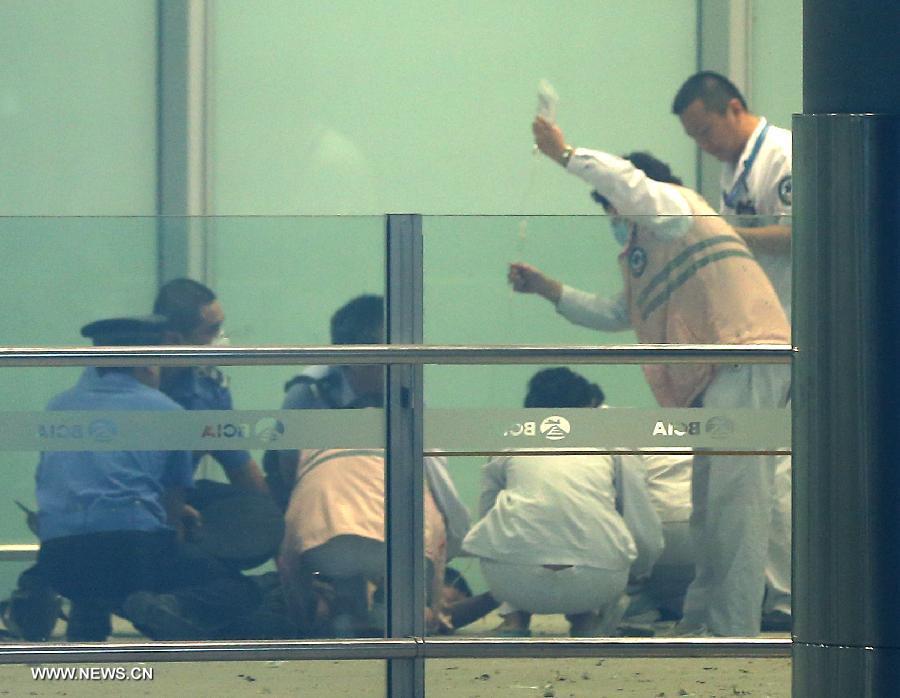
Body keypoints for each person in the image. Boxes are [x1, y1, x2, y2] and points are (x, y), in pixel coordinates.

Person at [512, 116, 790, 636]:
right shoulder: (646, 251)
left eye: (614, 207)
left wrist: (565, 153)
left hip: (746, 356)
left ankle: (731, 630)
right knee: (711, 508)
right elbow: (619, 314)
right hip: (719, 370)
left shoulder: (674, 207)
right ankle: (703, 623)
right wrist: (549, 290)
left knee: (737, 506)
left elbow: (630, 183)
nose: (615, 217)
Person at [34, 316, 261, 641]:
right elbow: (171, 513)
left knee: (92, 559)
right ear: (148, 363)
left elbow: (56, 483)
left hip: (58, 561)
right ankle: (166, 605)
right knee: (239, 589)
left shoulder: (56, 408)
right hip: (132, 556)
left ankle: (84, 611)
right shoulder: (167, 412)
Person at [673, 72, 792, 629]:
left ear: (734, 107)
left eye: (705, 129)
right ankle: (760, 606)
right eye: (693, 137)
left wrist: (724, 235)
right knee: (743, 489)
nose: (704, 144)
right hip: (751, 335)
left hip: (779, 336)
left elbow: (804, 231)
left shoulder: (782, 157)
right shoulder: (732, 170)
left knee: (749, 492)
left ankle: (747, 620)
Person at [462, 368, 663, 637]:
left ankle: (515, 619)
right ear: (588, 407)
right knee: (590, 525)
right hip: (598, 581)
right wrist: (642, 569)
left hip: (513, 583)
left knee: (514, 528)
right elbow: (638, 516)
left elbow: (488, 514)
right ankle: (586, 618)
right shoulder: (610, 444)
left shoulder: (510, 442)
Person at [153, 278, 269, 497]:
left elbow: (241, 469)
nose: (221, 339)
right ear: (174, 340)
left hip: (178, 501)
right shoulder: (127, 379)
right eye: (212, 330)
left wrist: (277, 521)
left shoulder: (209, 393)